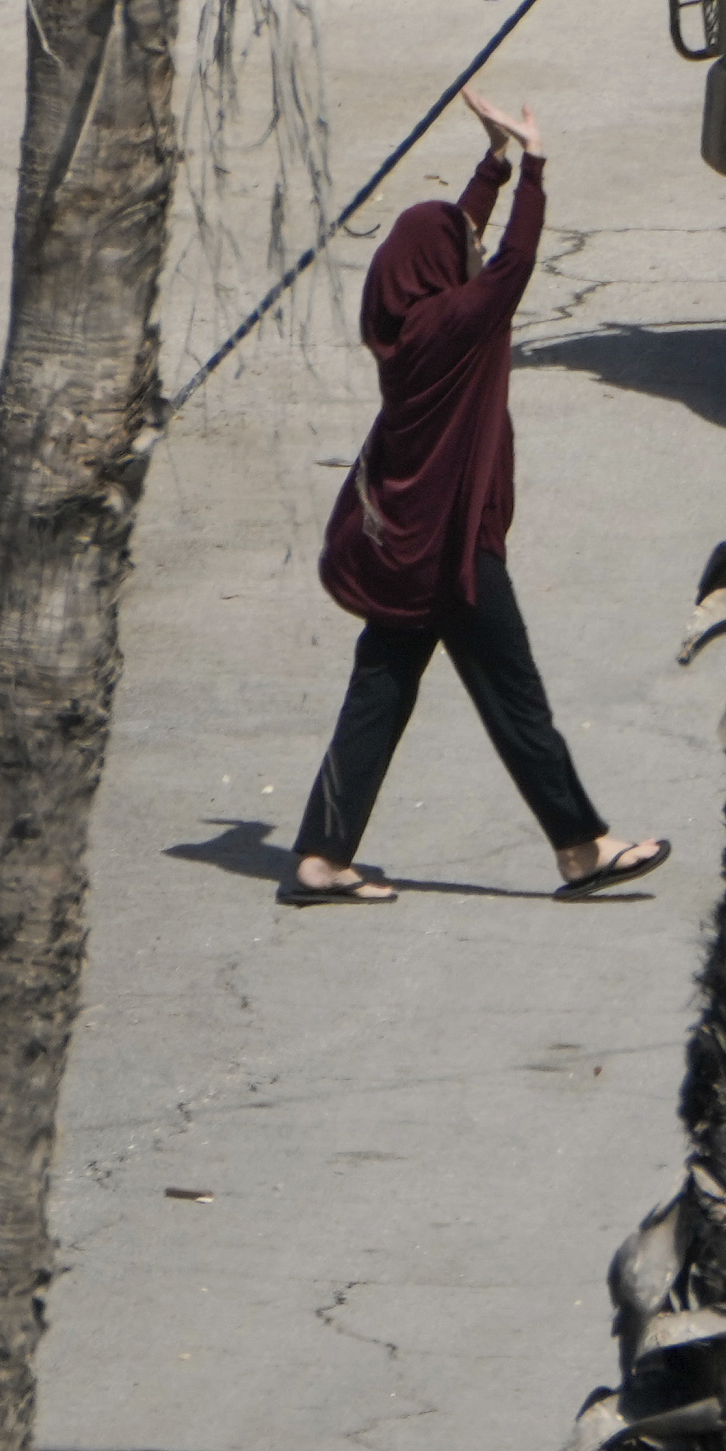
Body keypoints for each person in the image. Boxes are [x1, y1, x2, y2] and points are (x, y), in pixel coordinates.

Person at [283, 86, 667, 906]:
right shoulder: (457, 323)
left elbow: (455, 236)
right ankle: (581, 845)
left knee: (379, 695)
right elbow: (514, 264)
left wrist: (489, 168)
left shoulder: (405, 318)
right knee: (516, 698)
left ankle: (321, 856)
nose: (464, 258)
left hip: (400, 552)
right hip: (451, 551)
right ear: (439, 273)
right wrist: (535, 167)